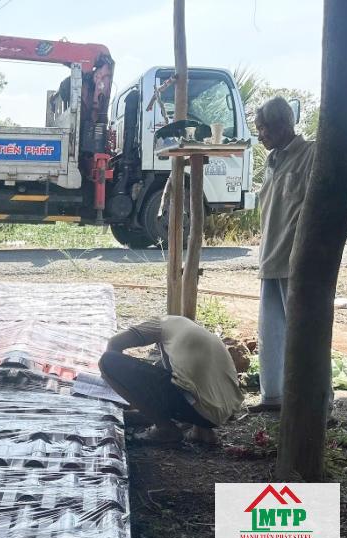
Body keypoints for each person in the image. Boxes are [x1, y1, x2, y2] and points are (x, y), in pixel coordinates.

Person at [251, 97, 316, 412]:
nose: (260, 134)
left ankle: (317, 402)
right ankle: (273, 397)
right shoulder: (273, 159)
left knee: (306, 335)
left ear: (282, 125)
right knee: (271, 334)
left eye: (263, 128)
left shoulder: (311, 154)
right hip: (270, 258)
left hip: (296, 262)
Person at [99, 316, 243, 444]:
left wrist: (120, 386)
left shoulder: (160, 324)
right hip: (223, 411)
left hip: (199, 409)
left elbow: (114, 343)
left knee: (107, 362)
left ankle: (165, 428)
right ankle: (202, 431)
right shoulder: (189, 331)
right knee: (175, 372)